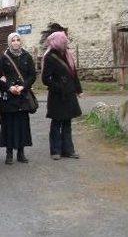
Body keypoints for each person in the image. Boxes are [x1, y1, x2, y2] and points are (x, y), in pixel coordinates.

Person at [0, 33, 37, 164]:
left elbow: (32, 75)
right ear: (9, 42)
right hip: (10, 98)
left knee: (22, 125)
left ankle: (21, 152)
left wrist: (23, 87)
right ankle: (9, 154)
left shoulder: (26, 56)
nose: (16, 42)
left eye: (18, 40)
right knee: (9, 125)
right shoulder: (4, 57)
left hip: (22, 97)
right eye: (13, 40)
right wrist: (9, 87)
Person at [42, 31, 82, 160]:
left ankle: (68, 150)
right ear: (57, 41)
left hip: (69, 94)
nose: (66, 42)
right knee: (57, 123)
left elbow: (73, 74)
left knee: (67, 123)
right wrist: (59, 86)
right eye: (64, 40)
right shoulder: (49, 57)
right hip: (57, 96)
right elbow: (45, 79)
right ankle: (55, 150)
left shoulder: (68, 55)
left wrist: (78, 89)